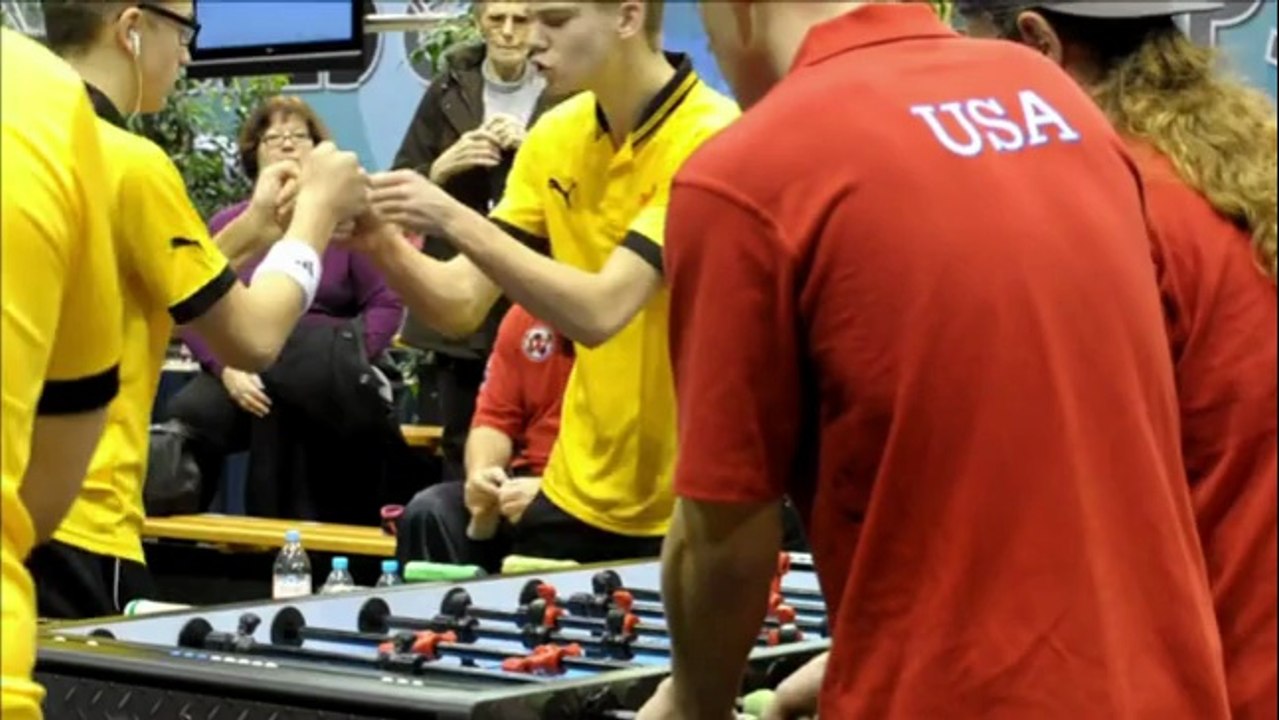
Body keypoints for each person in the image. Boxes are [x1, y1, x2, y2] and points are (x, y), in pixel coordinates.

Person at [638, 2, 1229, 719]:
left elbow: (723, 531)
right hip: (1166, 684)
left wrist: (693, 700)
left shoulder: (743, 173)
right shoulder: (1049, 95)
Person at [953, 4, 1277, 717]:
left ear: (1036, 41)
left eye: (968, 49)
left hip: (1206, 675)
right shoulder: (1242, 165)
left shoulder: (1103, 211)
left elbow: (1061, 514)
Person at [348, 0, 740, 563]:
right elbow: (460, 304)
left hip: (700, 498)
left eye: (553, 22)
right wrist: (379, 240)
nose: (531, 40)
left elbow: (602, 311)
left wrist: (450, 215)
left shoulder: (712, 135)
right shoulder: (555, 135)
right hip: (574, 493)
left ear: (628, 19)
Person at [28, 0, 369, 620]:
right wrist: (317, 212)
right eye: (183, 31)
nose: (187, 54)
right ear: (132, 29)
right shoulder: (131, 164)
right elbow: (255, 337)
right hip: (81, 525)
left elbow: (145, 296)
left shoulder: (31, 146)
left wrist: (258, 229)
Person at [168, 96, 407, 523]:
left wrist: (348, 359)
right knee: (191, 411)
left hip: (327, 358)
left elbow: (386, 303)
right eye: (273, 137)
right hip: (241, 356)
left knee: (288, 392)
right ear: (254, 151)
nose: (286, 145)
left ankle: (280, 528)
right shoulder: (231, 224)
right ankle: (185, 531)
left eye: (299, 136)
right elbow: (193, 303)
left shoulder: (347, 224)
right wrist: (226, 368)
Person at [1, 28, 123, 720]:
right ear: (133, 30)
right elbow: (250, 334)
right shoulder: (43, 97)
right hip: (95, 517)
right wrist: (304, 228)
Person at [393, 0, 561, 483]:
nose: (508, 32)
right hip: (462, 293)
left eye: (521, 20)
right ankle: (463, 540)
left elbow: (590, 175)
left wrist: (533, 149)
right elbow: (402, 180)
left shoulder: (566, 87)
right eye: (496, 19)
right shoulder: (447, 87)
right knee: (463, 441)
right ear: (479, 21)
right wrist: (444, 167)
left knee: (546, 438)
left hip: (540, 291)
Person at [396, 305, 573, 571]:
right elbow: (493, 420)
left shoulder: (639, 328)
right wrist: (481, 479)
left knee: (548, 521)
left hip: (590, 496)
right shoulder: (523, 317)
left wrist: (556, 493)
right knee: (430, 510)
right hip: (518, 486)